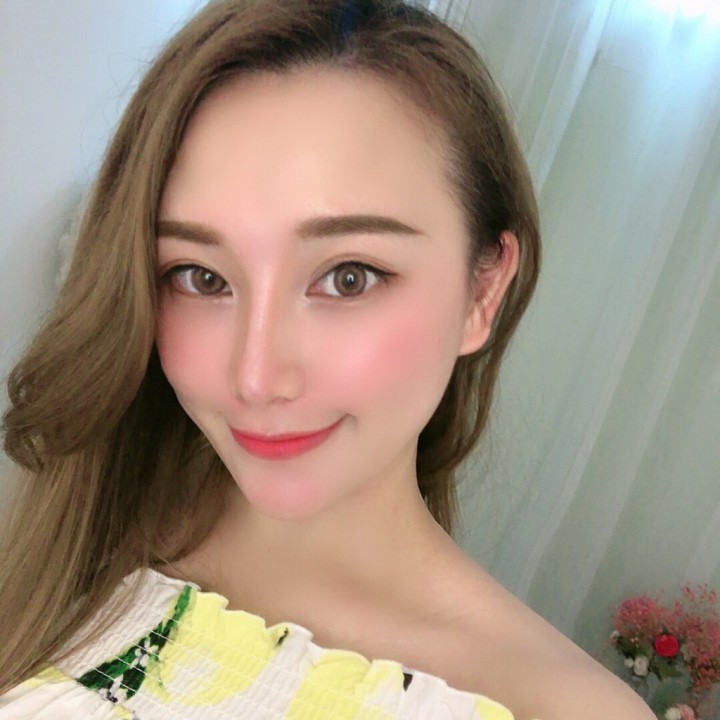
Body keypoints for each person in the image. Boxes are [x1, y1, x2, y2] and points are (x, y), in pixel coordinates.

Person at [0, 1, 654, 718]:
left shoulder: (561, 707)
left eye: (349, 277)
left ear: (482, 291)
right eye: (201, 277)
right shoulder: (67, 554)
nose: (256, 378)